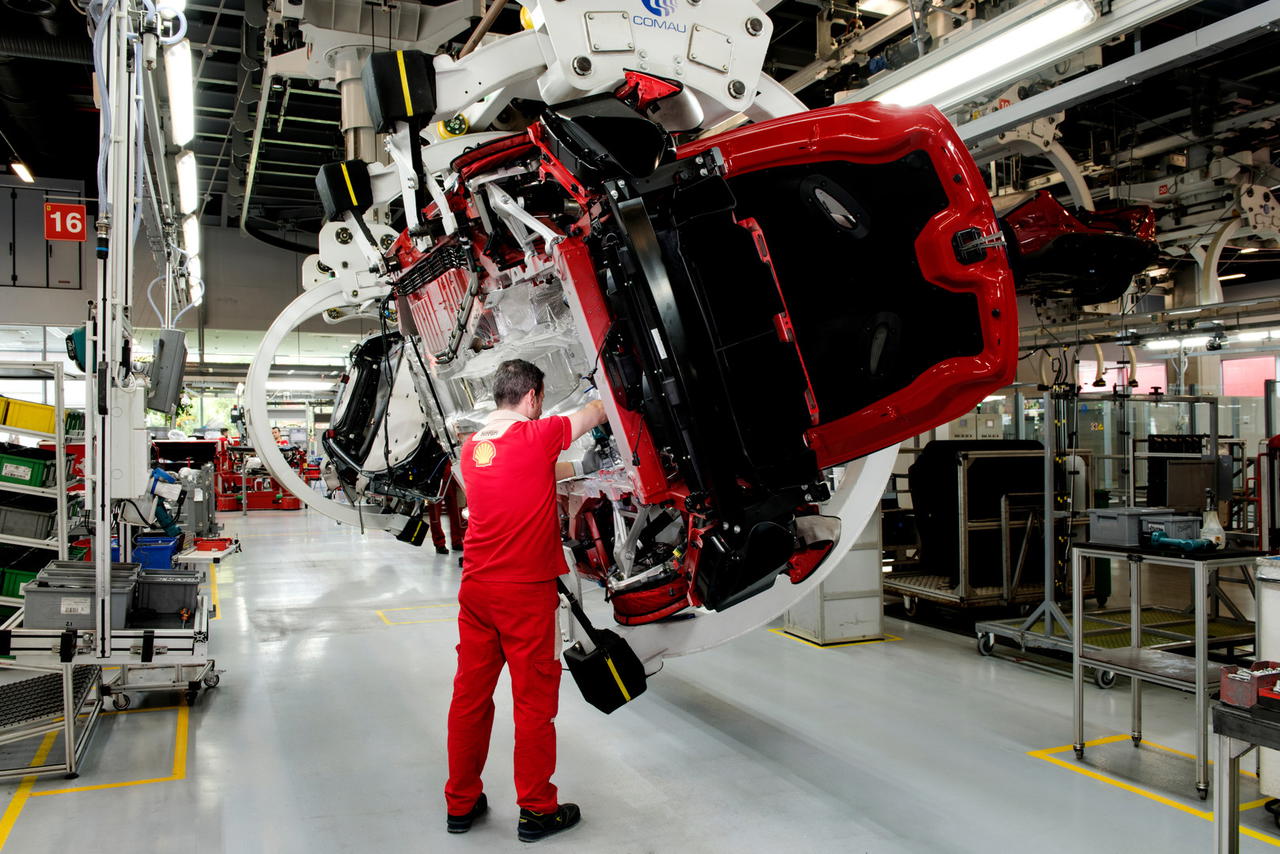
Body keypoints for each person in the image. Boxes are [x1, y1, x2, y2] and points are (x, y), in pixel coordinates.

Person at [445, 359, 607, 843]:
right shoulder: (538, 436)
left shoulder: (472, 449)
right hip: (524, 594)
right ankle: (537, 809)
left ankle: (461, 803)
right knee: (533, 704)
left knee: (469, 698)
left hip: (476, 592)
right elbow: (597, 412)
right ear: (533, 398)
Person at [428, 462, 465, 556]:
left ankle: (457, 540)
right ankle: (439, 543)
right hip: (436, 474)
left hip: (455, 472)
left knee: (458, 510)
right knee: (435, 513)